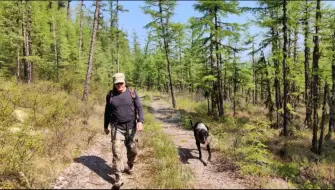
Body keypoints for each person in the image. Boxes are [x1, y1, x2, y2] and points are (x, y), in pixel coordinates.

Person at [104, 73, 144, 188]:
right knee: (116, 153)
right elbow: (107, 112)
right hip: (117, 128)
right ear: (114, 84)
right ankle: (118, 178)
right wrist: (105, 126)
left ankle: (130, 165)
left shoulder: (132, 92)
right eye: (117, 84)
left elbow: (139, 107)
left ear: (125, 82)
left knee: (133, 150)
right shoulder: (111, 95)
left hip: (131, 127)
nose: (119, 85)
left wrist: (140, 121)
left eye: (121, 83)